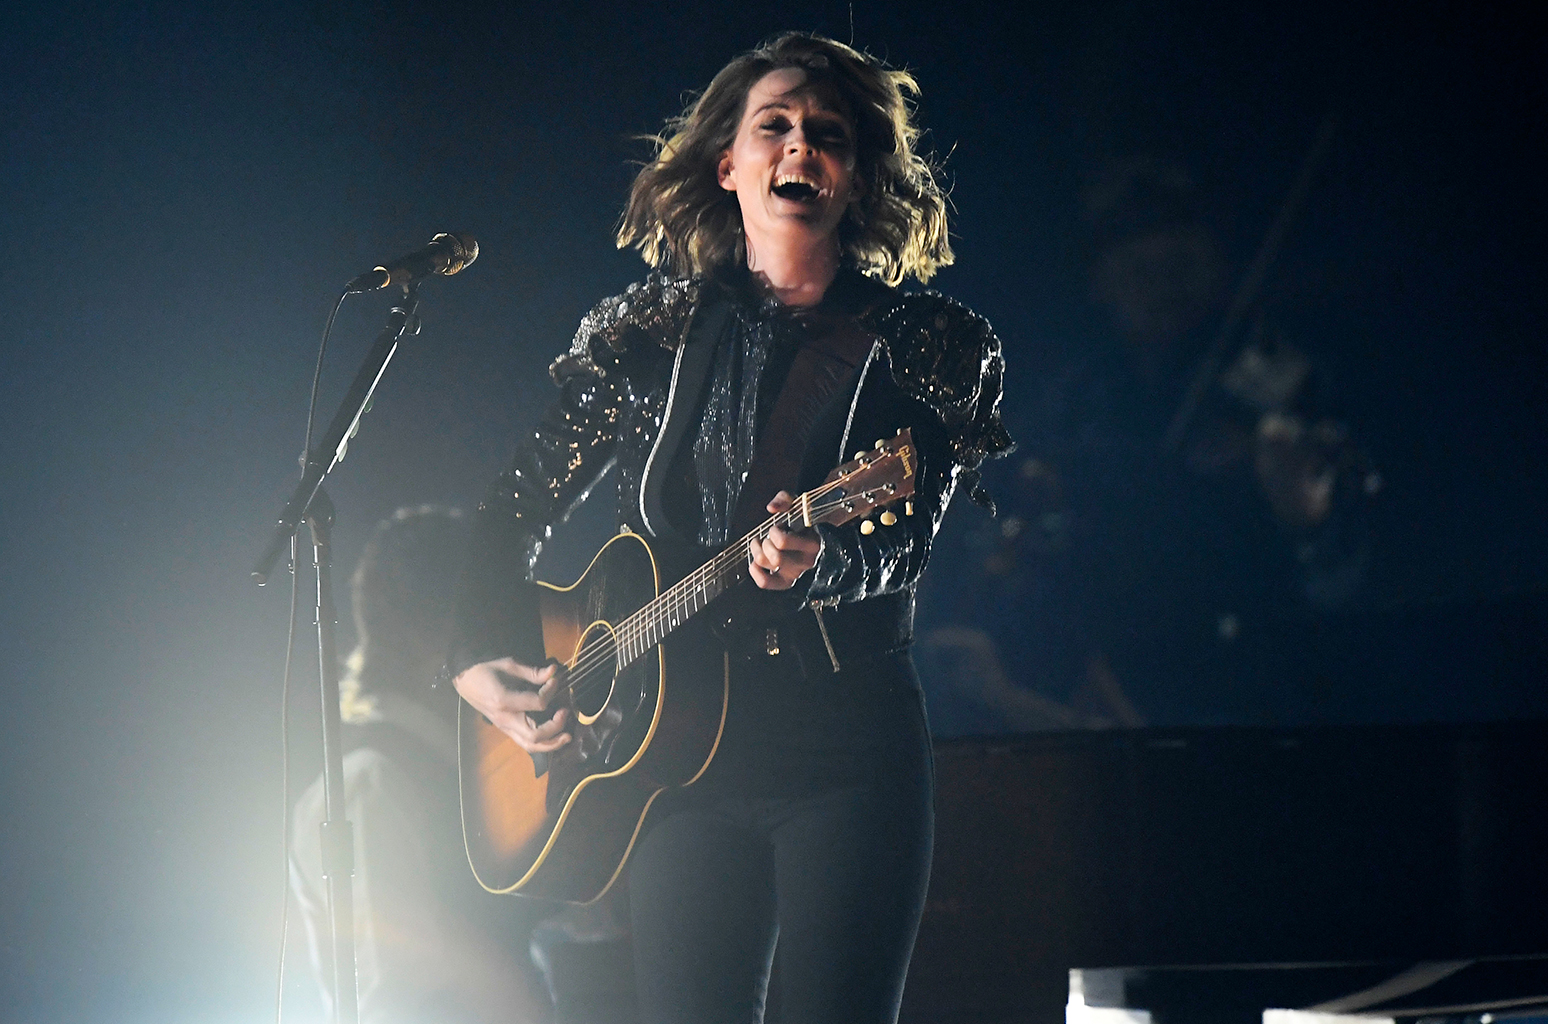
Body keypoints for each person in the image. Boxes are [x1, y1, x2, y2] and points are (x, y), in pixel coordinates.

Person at [445, 33, 1012, 1024]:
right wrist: (477, 662)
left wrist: (823, 554)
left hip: (847, 751)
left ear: (857, 176)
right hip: (673, 768)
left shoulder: (922, 346)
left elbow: (905, 535)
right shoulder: (644, 341)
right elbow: (508, 512)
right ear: (729, 164)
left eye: (827, 134)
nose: (800, 146)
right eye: (775, 126)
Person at [290, 506, 551, 1024]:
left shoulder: (459, 774)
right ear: (436, 639)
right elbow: (399, 995)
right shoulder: (371, 781)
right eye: (481, 630)